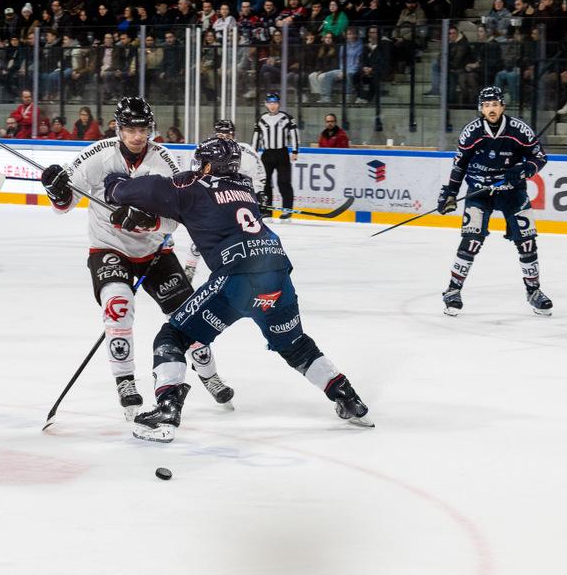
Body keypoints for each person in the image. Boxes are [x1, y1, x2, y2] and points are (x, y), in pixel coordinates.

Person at [102, 138, 373, 442]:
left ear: (207, 165)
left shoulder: (190, 185)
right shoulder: (245, 187)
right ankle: (349, 399)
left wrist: (114, 185)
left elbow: (146, 190)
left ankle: (167, 410)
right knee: (294, 344)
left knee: (173, 337)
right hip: (277, 274)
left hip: (237, 277)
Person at [39, 97, 235, 420]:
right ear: (118, 128)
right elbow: (64, 203)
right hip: (109, 247)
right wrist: (56, 189)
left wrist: (149, 221)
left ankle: (209, 374)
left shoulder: (163, 161)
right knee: (118, 306)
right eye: (130, 129)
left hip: (154, 252)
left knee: (190, 316)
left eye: (142, 129)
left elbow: (180, 215)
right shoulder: (98, 156)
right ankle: (125, 381)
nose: (136, 136)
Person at [437, 86, 551, 316]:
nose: (491, 109)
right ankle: (453, 290)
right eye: (487, 105)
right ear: (481, 109)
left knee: (527, 241)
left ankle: (534, 292)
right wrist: (450, 192)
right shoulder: (471, 132)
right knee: (471, 240)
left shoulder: (519, 129)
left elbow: (540, 157)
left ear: (502, 107)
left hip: (513, 192)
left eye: (495, 104)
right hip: (479, 191)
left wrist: (524, 170)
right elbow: (459, 165)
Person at [183, 119, 268, 282]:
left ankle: (249, 273)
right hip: (214, 201)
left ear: (234, 135)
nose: (224, 138)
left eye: (227, 135)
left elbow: (259, 175)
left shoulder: (246, 151)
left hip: (239, 202)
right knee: (202, 237)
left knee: (247, 239)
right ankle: (190, 269)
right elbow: (195, 174)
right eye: (220, 135)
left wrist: (259, 193)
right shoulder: (207, 150)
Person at [252, 92, 299, 221]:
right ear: (266, 104)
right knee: (265, 183)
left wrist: (295, 151)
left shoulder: (286, 117)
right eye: (270, 103)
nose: (272, 105)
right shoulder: (261, 119)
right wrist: (253, 154)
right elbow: (256, 138)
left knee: (284, 182)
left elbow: (294, 134)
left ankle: (287, 210)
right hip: (267, 154)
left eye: (275, 103)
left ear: (278, 104)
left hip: (282, 153)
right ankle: (267, 211)